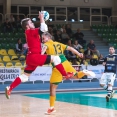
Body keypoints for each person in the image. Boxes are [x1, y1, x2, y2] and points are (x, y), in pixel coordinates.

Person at [5, 11, 74, 99]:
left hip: (31, 58)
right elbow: (44, 29)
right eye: (30, 22)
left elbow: (43, 30)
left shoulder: (31, 32)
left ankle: (9, 88)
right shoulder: (29, 31)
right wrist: (41, 18)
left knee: (25, 77)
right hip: (34, 57)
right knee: (56, 58)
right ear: (27, 26)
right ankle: (64, 74)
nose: (32, 23)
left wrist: (42, 20)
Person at [41, 32, 96, 114]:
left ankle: (51, 108)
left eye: (43, 38)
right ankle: (84, 72)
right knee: (77, 76)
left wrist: (39, 56)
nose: (42, 40)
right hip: (65, 62)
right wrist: (78, 53)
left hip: (57, 66)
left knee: (52, 87)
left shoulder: (46, 45)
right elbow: (70, 48)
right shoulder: (58, 43)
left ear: (48, 38)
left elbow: (41, 54)